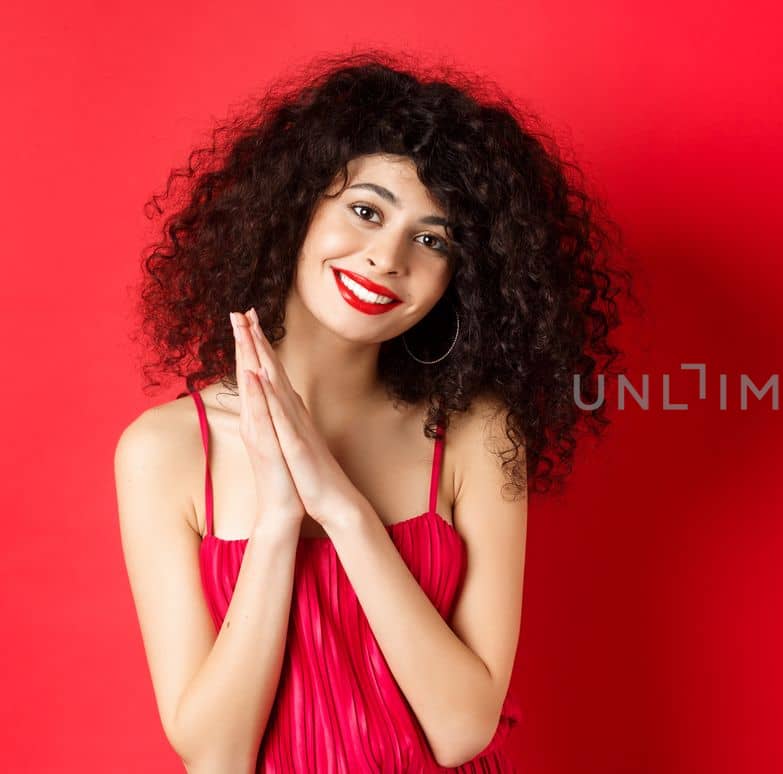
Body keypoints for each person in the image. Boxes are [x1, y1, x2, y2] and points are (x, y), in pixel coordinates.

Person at [114, 50, 632, 772]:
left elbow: (461, 731)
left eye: (432, 239)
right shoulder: (164, 453)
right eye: (365, 211)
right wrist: (279, 520)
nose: (388, 258)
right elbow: (216, 755)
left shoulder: (475, 434)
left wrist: (344, 509)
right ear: (295, 208)